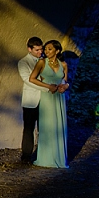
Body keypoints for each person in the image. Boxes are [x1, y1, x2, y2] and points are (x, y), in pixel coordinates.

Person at [28, 39, 70, 168]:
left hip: (59, 98)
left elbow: (65, 80)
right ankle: (46, 158)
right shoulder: (41, 62)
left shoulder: (63, 65)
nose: (46, 51)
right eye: (45, 49)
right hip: (47, 96)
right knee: (48, 125)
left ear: (57, 51)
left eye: (49, 49)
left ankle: (59, 157)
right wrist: (48, 86)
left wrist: (65, 86)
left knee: (59, 125)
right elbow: (32, 78)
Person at [17, 37, 43, 162]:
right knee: (29, 128)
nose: (40, 52)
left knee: (43, 128)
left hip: (44, 100)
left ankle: (43, 154)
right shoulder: (23, 62)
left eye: (41, 49)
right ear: (29, 49)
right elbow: (27, 79)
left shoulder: (44, 61)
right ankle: (26, 155)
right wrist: (47, 88)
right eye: (37, 50)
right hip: (31, 100)